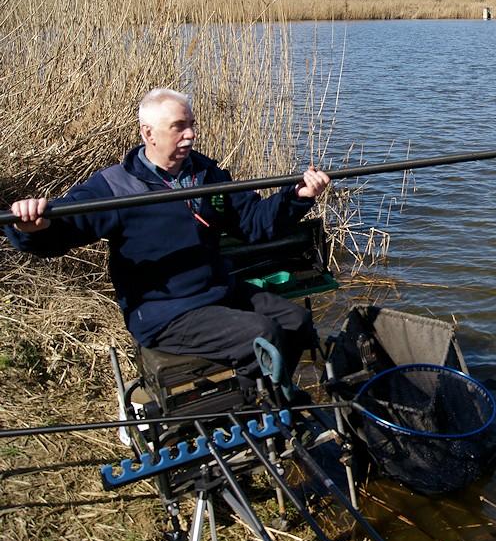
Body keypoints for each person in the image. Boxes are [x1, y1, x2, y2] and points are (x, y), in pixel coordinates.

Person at [4, 87, 331, 371]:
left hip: (217, 292)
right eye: (179, 127)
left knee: (296, 322)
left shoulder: (207, 175)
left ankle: (280, 392)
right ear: (149, 134)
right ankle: (259, 409)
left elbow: (256, 222)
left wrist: (298, 196)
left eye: (191, 125)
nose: (190, 134)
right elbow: (64, 230)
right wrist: (34, 226)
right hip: (164, 312)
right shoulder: (115, 186)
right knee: (263, 334)